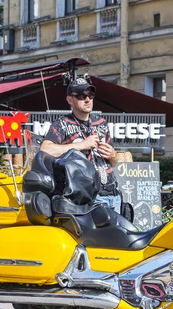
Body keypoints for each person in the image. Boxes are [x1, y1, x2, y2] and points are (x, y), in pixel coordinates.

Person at [41, 77, 121, 213]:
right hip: (87, 197)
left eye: (90, 95)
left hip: (112, 194)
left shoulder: (102, 123)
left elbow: (113, 162)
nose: (87, 99)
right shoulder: (62, 124)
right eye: (81, 96)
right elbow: (45, 149)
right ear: (70, 100)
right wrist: (82, 145)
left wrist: (113, 155)